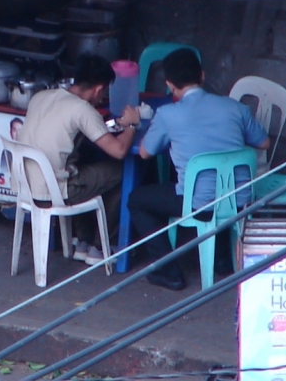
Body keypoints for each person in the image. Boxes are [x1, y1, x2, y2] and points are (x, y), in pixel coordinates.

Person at [128, 48, 269, 291]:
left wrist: (133, 122)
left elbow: (144, 153)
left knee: (137, 200)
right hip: (241, 200)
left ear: (170, 85)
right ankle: (223, 261)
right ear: (202, 76)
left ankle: (168, 270)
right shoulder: (233, 107)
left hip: (199, 205)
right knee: (219, 185)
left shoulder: (168, 114)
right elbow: (263, 142)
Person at [18, 54, 140, 265]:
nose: (102, 99)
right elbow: (119, 150)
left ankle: (82, 241)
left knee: (81, 165)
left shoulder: (41, 96)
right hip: (54, 191)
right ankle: (102, 246)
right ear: (99, 89)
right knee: (122, 171)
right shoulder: (83, 109)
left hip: (26, 186)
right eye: (104, 94)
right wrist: (131, 124)